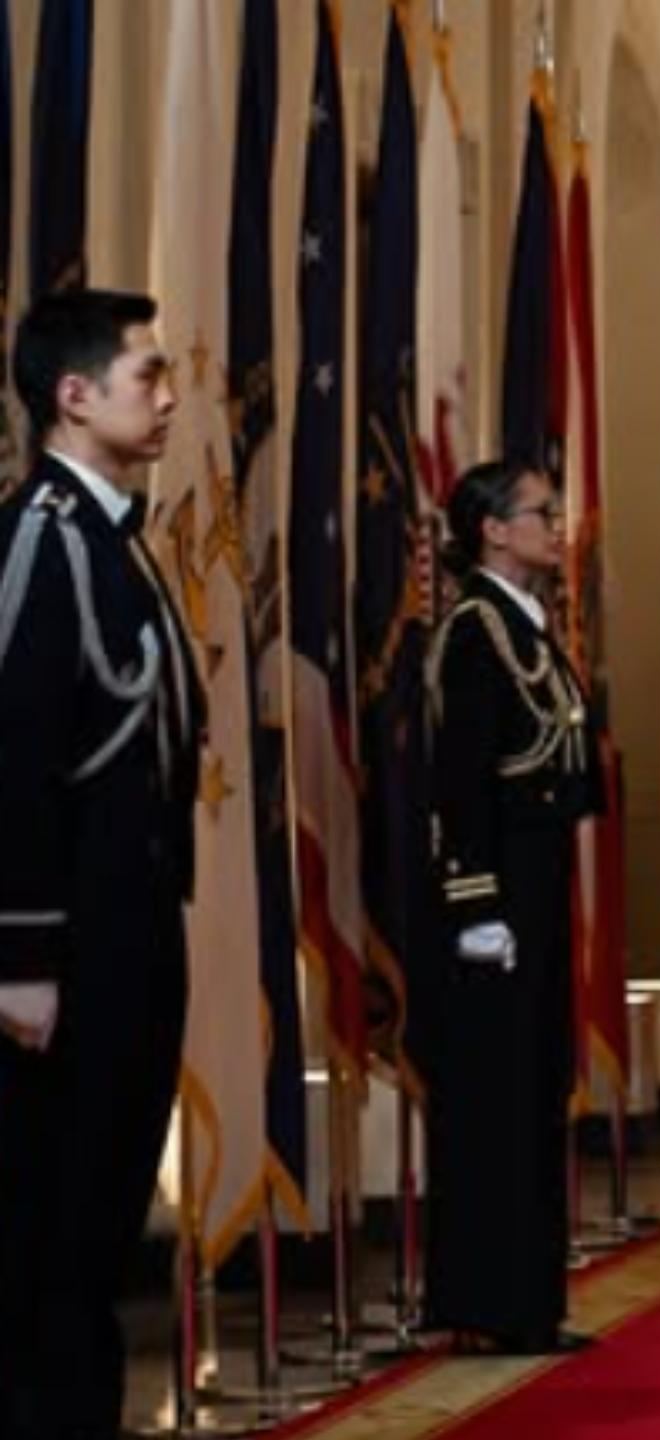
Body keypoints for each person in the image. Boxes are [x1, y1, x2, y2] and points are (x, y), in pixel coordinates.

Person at [0, 289, 201, 1439]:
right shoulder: (45, 540)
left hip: (128, 944)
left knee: (98, 1235)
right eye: (148, 376)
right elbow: (14, 756)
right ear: (71, 398)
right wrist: (20, 954)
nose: (169, 396)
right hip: (65, 958)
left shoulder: (115, 544)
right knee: (52, 1240)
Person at [420, 459, 599, 1355]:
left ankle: (531, 1300)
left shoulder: (526, 626)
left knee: (535, 1091)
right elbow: (458, 777)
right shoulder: (473, 631)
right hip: (496, 894)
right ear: (491, 528)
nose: (555, 524)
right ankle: (492, 1301)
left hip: (538, 876)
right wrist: (474, 899)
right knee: (496, 1099)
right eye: (540, 511)